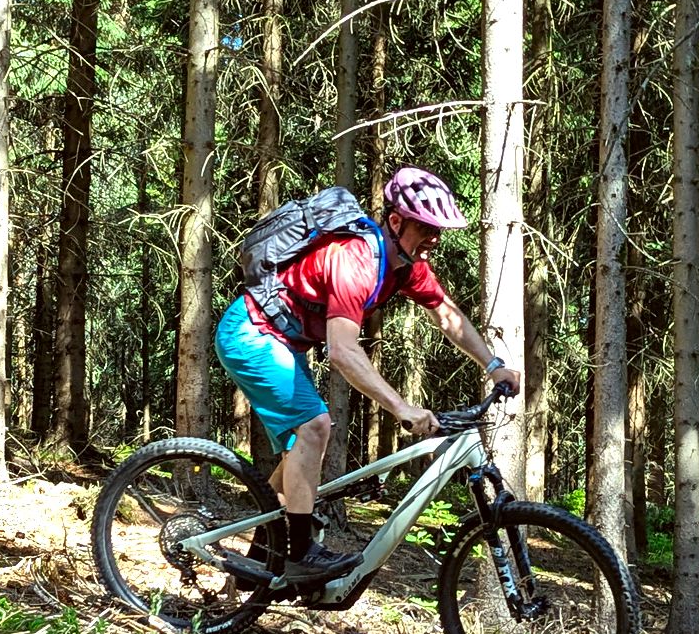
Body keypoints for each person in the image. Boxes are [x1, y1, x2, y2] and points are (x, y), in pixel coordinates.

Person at [215, 167, 523, 584]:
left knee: (299, 456)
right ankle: (300, 554)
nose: (434, 238)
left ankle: (256, 568)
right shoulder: (354, 260)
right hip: (251, 332)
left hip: (284, 341)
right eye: (425, 228)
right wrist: (400, 407)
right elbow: (342, 351)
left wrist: (493, 364)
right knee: (314, 427)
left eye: (438, 230)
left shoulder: (406, 267)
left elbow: (447, 315)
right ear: (395, 222)